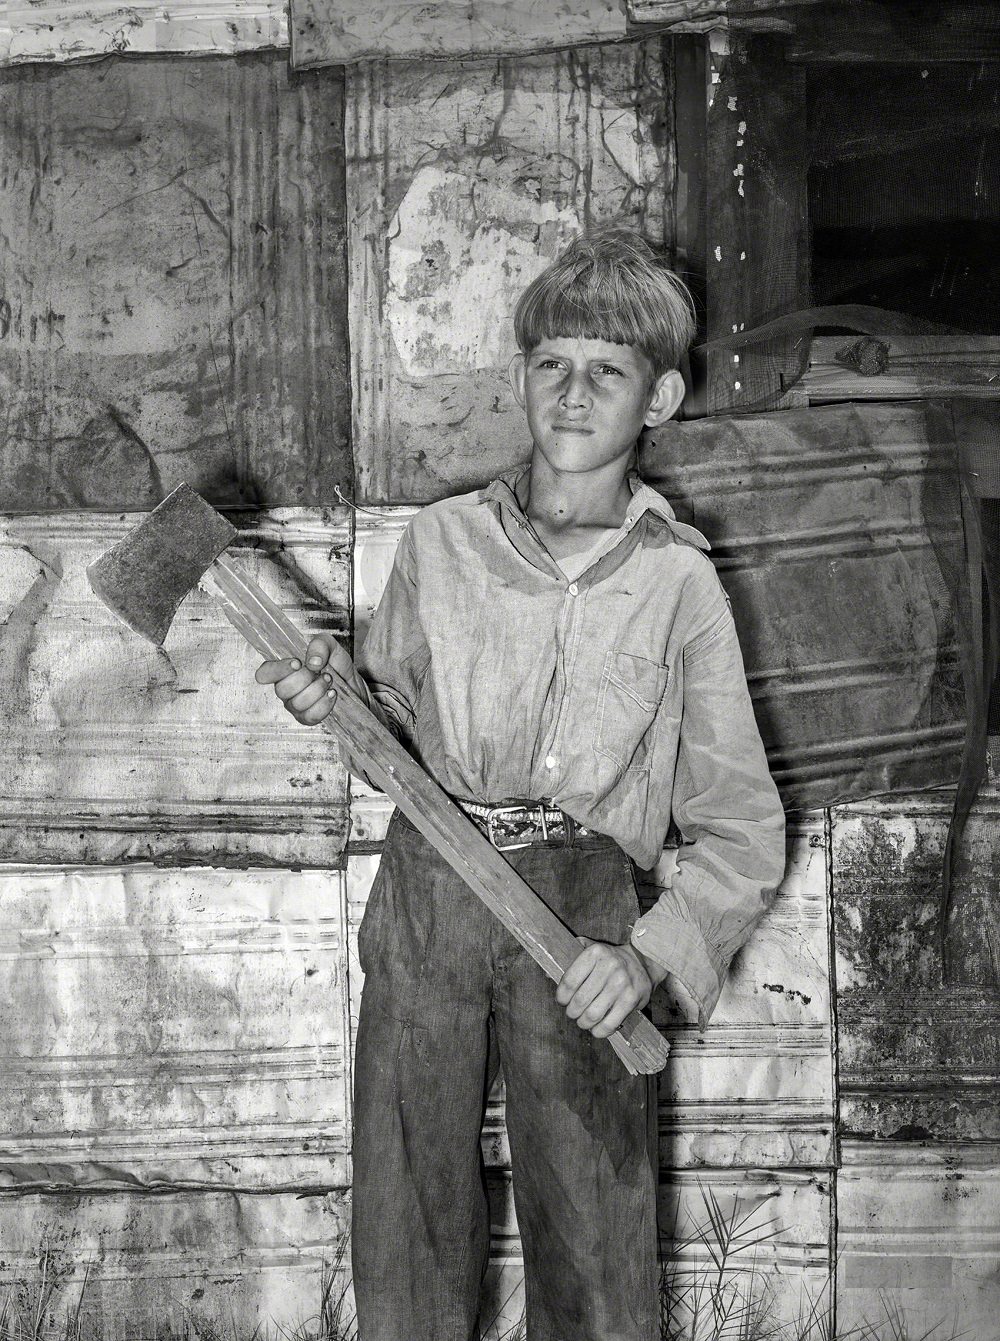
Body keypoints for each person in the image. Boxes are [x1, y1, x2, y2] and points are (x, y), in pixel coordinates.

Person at [255, 228, 786, 1341]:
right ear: (520, 378)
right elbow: (389, 730)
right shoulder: (444, 543)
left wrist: (643, 957)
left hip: (586, 909)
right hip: (430, 882)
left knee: (594, 1215)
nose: (574, 392)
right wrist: (330, 703)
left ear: (662, 396)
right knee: (405, 1205)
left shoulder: (680, 585)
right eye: (552, 363)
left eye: (609, 370)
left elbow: (740, 827)